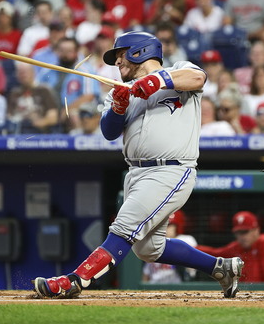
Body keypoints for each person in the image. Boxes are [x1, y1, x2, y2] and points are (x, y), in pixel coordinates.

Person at [33, 31, 245, 299]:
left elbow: (198, 78)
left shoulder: (178, 71)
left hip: (170, 169)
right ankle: (221, 268)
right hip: (135, 173)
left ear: (139, 52)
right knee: (148, 249)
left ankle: (76, 280)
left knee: (123, 228)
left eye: (120, 56)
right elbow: (108, 132)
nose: (117, 63)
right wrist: (118, 107)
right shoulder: (123, 90)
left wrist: (156, 80)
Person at [33, 36, 101, 129]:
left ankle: (76, 141)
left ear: (76, 52)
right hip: (50, 111)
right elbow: (35, 88)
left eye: (69, 51)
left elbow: (89, 96)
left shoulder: (85, 70)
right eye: (62, 50)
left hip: (74, 111)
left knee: (74, 116)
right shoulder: (48, 70)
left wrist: (66, 111)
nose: (65, 54)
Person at [196, 211, 264, 283]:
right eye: (239, 233)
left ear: (257, 230)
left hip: (263, 293)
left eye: (246, 232)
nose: (243, 237)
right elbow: (214, 253)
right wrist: (189, 248)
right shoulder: (238, 247)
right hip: (244, 293)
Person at [141, 209, 199, 283]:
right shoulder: (153, 242)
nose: (164, 228)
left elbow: (191, 271)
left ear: (177, 225)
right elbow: (146, 275)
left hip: (177, 288)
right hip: (154, 289)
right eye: (161, 225)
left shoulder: (186, 240)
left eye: (168, 225)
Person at [7, 61, 60, 131]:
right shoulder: (14, 93)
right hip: (17, 131)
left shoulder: (44, 90)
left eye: (25, 72)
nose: (22, 75)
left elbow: (53, 117)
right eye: (20, 73)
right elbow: (8, 116)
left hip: (38, 132)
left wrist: (36, 123)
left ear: (33, 73)